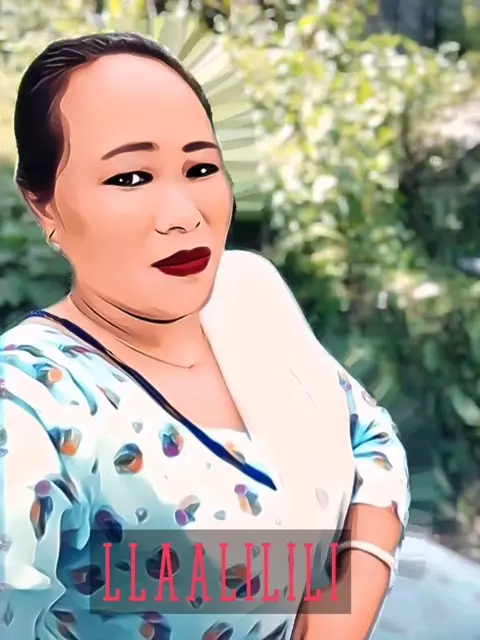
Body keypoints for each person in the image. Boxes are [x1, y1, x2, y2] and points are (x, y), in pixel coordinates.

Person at [0, 32, 410, 640]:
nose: (184, 215)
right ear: (44, 206)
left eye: (200, 168)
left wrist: (337, 618)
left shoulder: (248, 300)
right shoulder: (32, 404)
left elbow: (370, 441)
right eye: (130, 178)